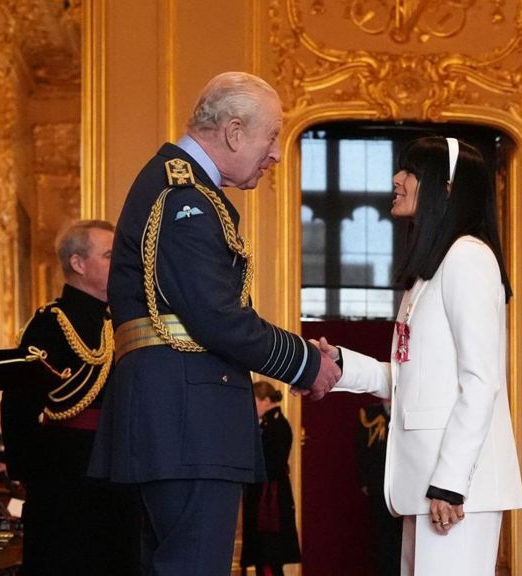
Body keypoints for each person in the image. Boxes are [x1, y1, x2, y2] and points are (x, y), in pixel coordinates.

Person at [88, 71, 342, 575]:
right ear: (233, 131)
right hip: (188, 424)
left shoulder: (179, 185)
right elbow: (217, 317)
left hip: (172, 420)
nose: (274, 154)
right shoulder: (185, 195)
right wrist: (307, 363)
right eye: (271, 137)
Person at [318, 136, 522, 574]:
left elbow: (481, 380)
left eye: (410, 171)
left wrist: (450, 483)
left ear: (446, 187)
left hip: (455, 487)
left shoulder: (468, 257)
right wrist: (342, 365)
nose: (397, 179)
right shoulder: (430, 271)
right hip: (428, 484)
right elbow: (416, 380)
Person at [0, 219, 140, 575]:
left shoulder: (125, 323)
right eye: (110, 255)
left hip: (121, 470)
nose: (120, 262)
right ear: (78, 264)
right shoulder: (50, 323)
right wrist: (30, 473)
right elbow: (18, 401)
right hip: (64, 474)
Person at [240, 381, 301, 576]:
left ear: (266, 400)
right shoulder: (268, 423)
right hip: (265, 496)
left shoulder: (276, 425)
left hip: (270, 499)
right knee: (263, 554)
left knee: (269, 554)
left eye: (255, 402)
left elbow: (272, 463)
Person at [356, 398, 402, 576]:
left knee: (402, 534)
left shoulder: (404, 407)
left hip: (401, 483)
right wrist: (364, 480)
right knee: (382, 533)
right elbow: (362, 449)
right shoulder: (369, 414)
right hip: (378, 482)